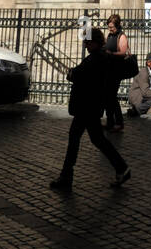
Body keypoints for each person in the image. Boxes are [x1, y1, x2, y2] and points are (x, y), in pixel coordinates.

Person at [51, 29, 130, 191]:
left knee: (76, 138)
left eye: (87, 42)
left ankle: (66, 177)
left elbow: (78, 74)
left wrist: (72, 73)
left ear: (94, 42)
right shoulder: (103, 57)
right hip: (92, 106)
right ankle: (121, 167)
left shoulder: (96, 59)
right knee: (97, 139)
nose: (85, 45)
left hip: (86, 106)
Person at [103, 14, 129, 132]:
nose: (110, 29)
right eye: (109, 27)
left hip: (117, 71)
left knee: (112, 97)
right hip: (108, 69)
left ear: (117, 26)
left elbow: (123, 52)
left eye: (112, 27)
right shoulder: (110, 35)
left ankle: (119, 122)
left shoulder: (121, 36)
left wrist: (111, 54)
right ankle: (110, 122)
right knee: (107, 96)